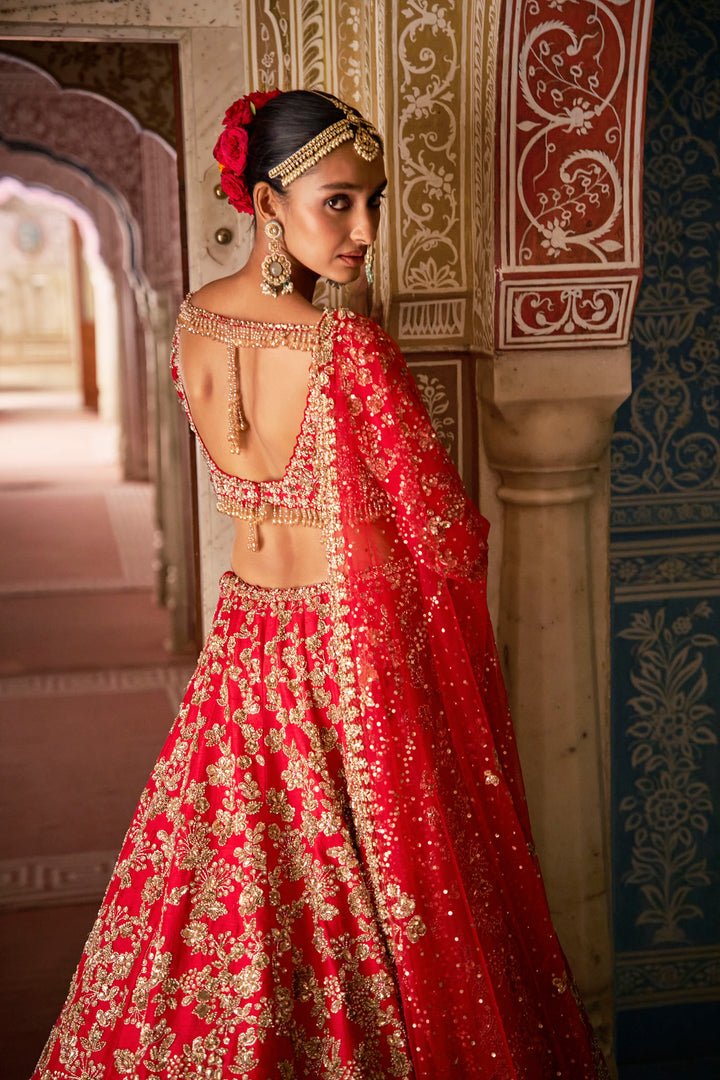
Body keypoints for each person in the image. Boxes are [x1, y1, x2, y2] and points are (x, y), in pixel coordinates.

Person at [32, 89, 608, 1080]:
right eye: (339, 203)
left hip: (245, 642)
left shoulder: (196, 318)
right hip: (340, 659)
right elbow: (441, 532)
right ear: (267, 200)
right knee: (370, 897)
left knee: (227, 876)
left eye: (372, 204)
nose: (365, 230)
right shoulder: (345, 349)